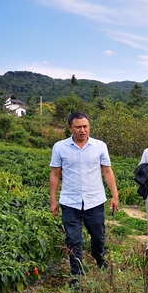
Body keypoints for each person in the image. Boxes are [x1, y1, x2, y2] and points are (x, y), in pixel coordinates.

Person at [49, 112, 119, 283]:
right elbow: (55, 174)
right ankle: (77, 273)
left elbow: (107, 171)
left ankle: (99, 256)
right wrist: (53, 200)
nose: (82, 130)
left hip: (94, 201)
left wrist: (115, 195)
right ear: (70, 128)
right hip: (70, 202)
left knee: (98, 236)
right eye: (78, 127)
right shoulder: (60, 147)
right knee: (73, 240)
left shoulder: (100, 146)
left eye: (85, 126)